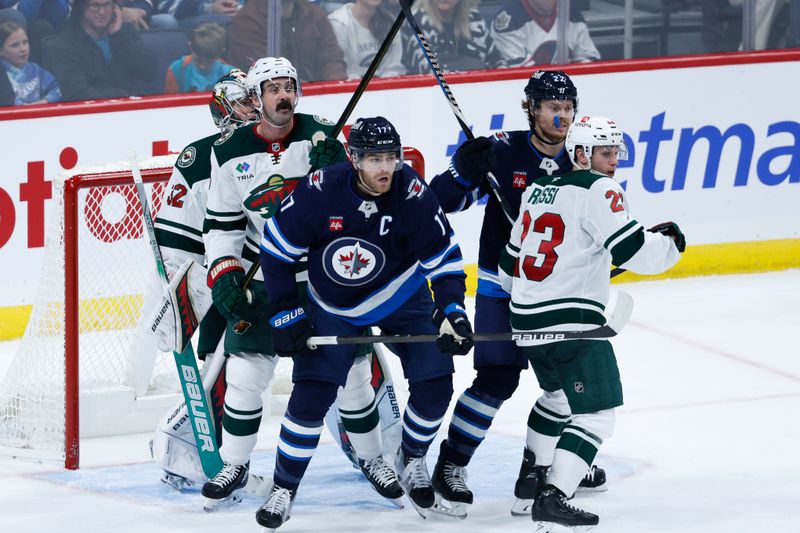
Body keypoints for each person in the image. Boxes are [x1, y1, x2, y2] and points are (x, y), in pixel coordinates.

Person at [201, 58, 403, 510]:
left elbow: (369, 199)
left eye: (289, 86)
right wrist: (225, 273)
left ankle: (372, 458)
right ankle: (234, 464)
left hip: (325, 276)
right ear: (255, 99)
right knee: (245, 375)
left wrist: (342, 175)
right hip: (264, 274)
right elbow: (222, 225)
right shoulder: (229, 150)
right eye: (272, 88)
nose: (283, 96)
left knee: (352, 374)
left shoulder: (324, 134)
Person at [255, 116, 473, 529]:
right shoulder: (320, 191)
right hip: (333, 303)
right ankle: (284, 487)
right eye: (374, 158)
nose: (385, 168)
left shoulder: (411, 193)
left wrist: (451, 310)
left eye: (391, 157)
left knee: (435, 382)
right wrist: (285, 310)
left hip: (401, 294)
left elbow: (444, 259)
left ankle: (410, 459)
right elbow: (277, 249)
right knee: (311, 397)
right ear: (354, 158)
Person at [428, 70, 606, 518]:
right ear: (531, 108)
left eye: (568, 108)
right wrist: (460, 168)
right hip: (501, 288)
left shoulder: (580, 156)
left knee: (566, 385)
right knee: (497, 379)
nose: (562, 116)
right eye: (552, 107)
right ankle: (450, 464)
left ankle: (547, 467)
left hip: (556, 293)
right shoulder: (500, 152)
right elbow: (437, 202)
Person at [498, 115, 685, 529]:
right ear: (580, 153)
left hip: (526, 322)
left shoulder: (536, 190)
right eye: (604, 151)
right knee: (597, 413)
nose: (613, 160)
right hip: (573, 325)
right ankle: (554, 494)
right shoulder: (600, 188)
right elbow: (636, 252)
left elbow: (507, 270)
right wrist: (671, 243)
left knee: (559, 401)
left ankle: (531, 482)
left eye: (616, 151)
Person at [46, 0, 156, 101]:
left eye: (107, 4)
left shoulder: (124, 33)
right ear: (81, 7)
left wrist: (119, 37)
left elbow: (149, 72)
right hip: (91, 114)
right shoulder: (63, 44)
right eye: (95, 5)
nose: (102, 12)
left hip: (130, 106)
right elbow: (76, 92)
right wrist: (118, 99)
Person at [226, 0, 347, 82]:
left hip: (322, 97)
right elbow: (266, 76)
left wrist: (337, 88)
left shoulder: (314, 14)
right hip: (272, 106)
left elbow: (332, 59)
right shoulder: (247, 21)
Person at [490, 0, 599, 67]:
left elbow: (589, 60)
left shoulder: (572, 15)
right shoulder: (509, 20)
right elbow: (520, 73)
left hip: (566, 95)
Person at [403, 0, 493, 74]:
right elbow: (424, 68)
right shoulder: (416, 19)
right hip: (434, 91)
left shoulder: (474, 17)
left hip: (479, 87)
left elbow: (496, 59)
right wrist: (477, 66)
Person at [328, 0, 405, 80]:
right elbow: (338, 69)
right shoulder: (338, 24)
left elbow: (393, 67)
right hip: (351, 88)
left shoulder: (390, 23)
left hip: (385, 88)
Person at [0, 20, 60, 104]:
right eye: (15, 45)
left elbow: (58, 89)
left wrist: (42, 102)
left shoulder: (35, 69)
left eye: (25, 42)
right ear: (1, 51)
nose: (23, 49)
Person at [164, 21, 230, 93]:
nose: (203, 66)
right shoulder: (176, 70)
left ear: (221, 52)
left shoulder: (231, 76)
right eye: (198, 60)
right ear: (190, 47)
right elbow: (171, 101)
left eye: (210, 62)